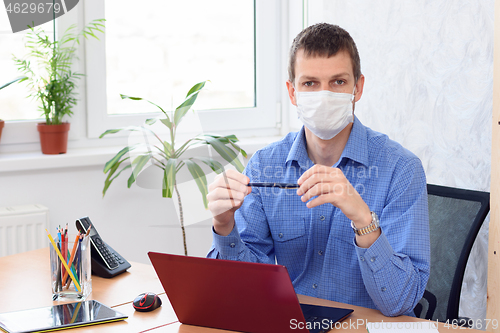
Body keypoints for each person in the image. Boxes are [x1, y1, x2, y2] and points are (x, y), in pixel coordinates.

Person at [206, 23, 430, 317]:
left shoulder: (401, 169)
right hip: (295, 323)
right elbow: (241, 290)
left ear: (357, 88)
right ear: (292, 92)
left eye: (338, 82)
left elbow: (401, 301)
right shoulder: (265, 165)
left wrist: (363, 219)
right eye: (310, 83)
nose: (324, 95)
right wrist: (224, 226)